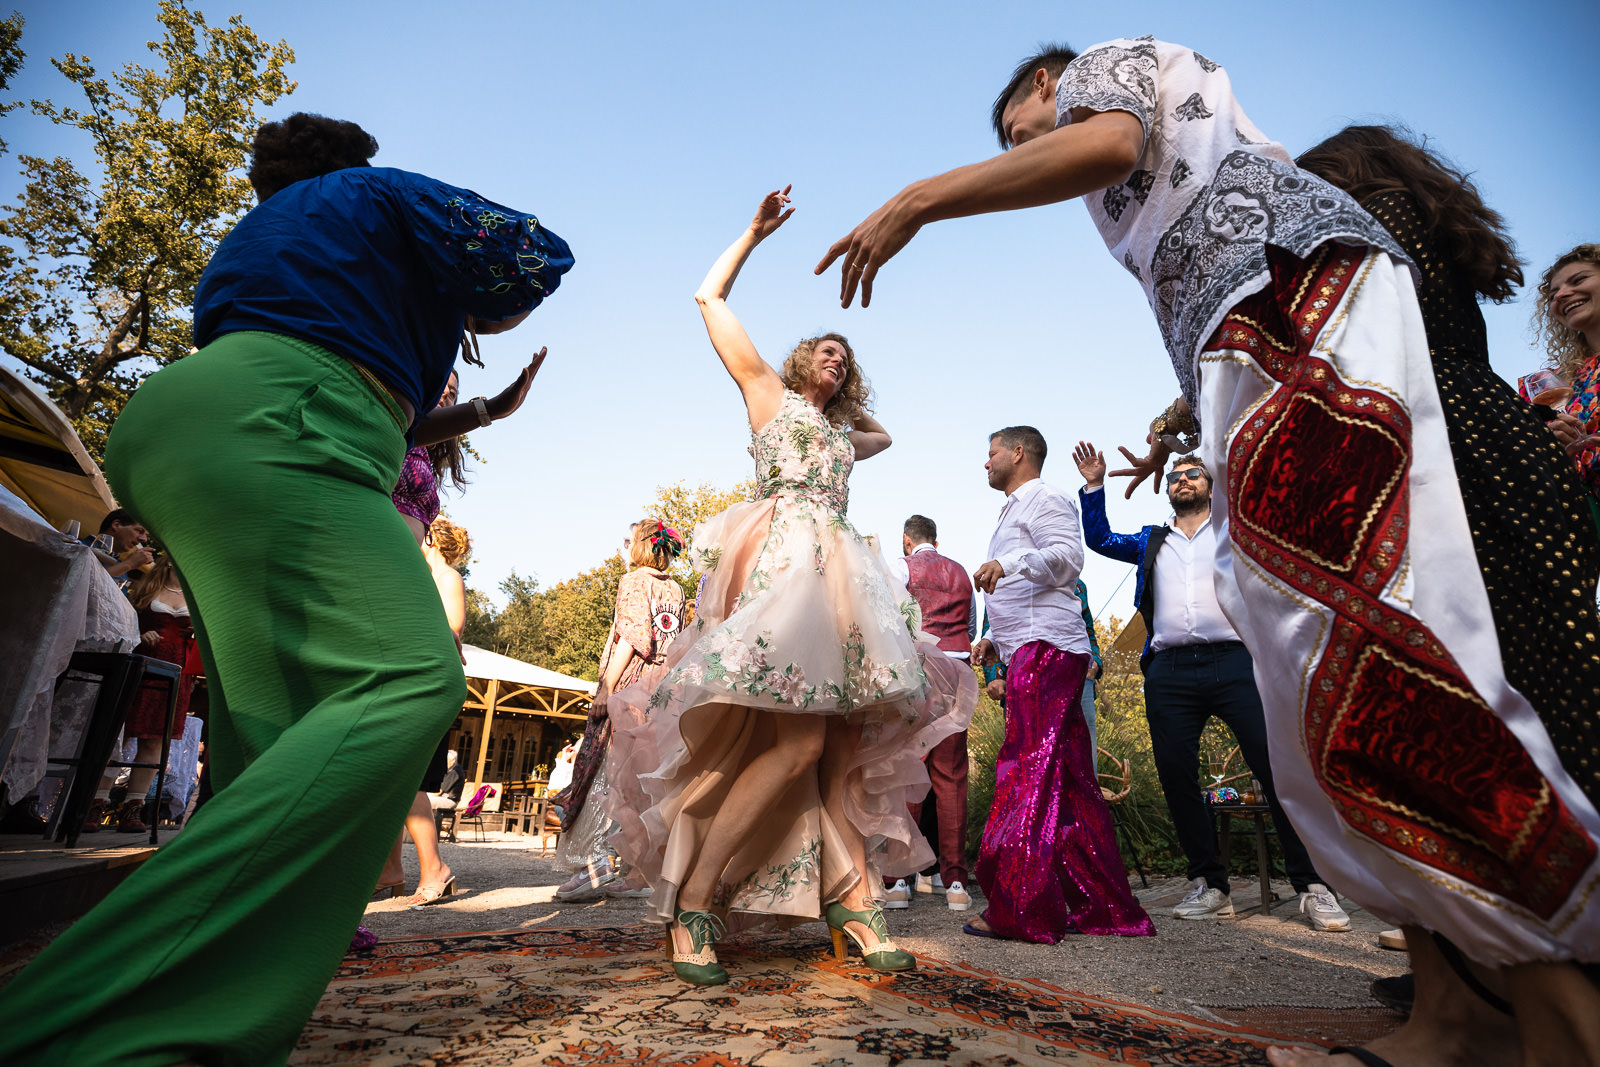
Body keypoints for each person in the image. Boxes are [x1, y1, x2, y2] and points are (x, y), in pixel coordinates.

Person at [823, 40, 1599, 1067]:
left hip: (1288, 309)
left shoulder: (1108, 68)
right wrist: (1177, 423)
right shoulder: (1171, 185)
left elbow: (1108, 142)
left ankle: (1563, 1023)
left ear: (1056, 84)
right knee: (1316, 687)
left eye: (1027, 128)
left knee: (1378, 653)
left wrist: (920, 197)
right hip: (1247, 339)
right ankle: (1458, 1006)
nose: (1029, 151)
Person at [0, 112, 572, 1066]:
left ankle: (191, 1024)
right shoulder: (370, 194)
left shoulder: (264, 238)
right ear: (352, 164)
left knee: (269, 746)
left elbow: (340, 378)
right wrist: (478, 305)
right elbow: (530, 253)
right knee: (409, 676)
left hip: (194, 427)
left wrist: (477, 407)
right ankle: (67, 1020)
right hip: (280, 426)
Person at [604, 186, 975, 986]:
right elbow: (708, 296)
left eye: (848, 355)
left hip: (844, 589)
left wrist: (845, 408)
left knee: (836, 747)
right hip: (784, 575)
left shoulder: (844, 433)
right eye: (825, 349)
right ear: (802, 357)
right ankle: (697, 900)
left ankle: (850, 897)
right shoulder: (767, 396)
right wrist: (752, 232)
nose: (837, 357)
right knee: (800, 739)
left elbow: (882, 435)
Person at [1289, 127, 1600, 1067]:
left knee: (1450, 721)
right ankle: (1488, 994)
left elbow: (1341, 355)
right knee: (1544, 711)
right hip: (1500, 460)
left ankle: (1502, 1003)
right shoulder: (1425, 235)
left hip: (1447, 468)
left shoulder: (1365, 226)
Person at [1072, 443, 1349, 931]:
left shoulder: (1234, 533)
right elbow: (1098, 539)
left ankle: (1312, 886)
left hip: (1236, 663)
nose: (1183, 478)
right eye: (1176, 474)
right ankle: (1211, 884)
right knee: (1178, 777)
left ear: (1211, 485)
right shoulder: (1151, 541)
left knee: (1275, 768)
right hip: (1169, 671)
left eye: (1194, 473)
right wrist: (1094, 486)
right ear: (1169, 489)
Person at [966, 425, 1153, 943]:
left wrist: (1008, 562)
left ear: (1019, 453)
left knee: (1025, 766)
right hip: (1032, 647)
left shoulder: (1044, 498)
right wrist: (994, 644)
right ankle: (1102, 906)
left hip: (1046, 653)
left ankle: (1018, 908)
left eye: (992, 453)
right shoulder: (1012, 510)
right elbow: (1023, 598)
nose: (986, 463)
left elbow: (1068, 560)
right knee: (1070, 781)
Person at [554, 519, 688, 902]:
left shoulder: (633, 581)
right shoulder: (675, 587)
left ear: (641, 546)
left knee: (605, 769)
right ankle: (639, 872)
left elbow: (632, 636)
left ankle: (593, 862)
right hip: (662, 687)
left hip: (630, 682)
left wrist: (607, 688)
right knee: (643, 778)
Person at [373, 515, 476, 907]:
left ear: (429, 536)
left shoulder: (447, 577)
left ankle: (435, 869)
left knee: (410, 780)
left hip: (429, 683)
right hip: (403, 678)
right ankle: (390, 872)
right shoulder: (411, 573)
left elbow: (454, 629)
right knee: (391, 779)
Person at [882, 514, 977, 913]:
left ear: (907, 540)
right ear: (934, 539)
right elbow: (970, 627)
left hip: (920, 671)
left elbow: (889, 623)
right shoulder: (961, 574)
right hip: (958, 672)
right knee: (951, 777)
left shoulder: (902, 569)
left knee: (909, 771)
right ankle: (954, 881)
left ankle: (899, 882)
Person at [80, 552, 203, 835]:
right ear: (171, 560)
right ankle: (96, 801)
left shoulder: (198, 597)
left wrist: (200, 632)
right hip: (141, 661)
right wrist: (141, 631)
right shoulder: (145, 587)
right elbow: (120, 620)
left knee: (155, 739)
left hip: (177, 669)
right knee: (117, 734)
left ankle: (133, 806)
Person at [1529, 244, 1600, 500]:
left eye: (1579, 280)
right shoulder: (1548, 388)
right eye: (1552, 294)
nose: (1561, 295)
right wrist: (1560, 459)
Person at [88, 508, 153, 587]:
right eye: (139, 531)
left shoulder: (123, 572)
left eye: (146, 535)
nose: (144, 539)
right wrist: (129, 564)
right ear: (116, 525)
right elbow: (83, 585)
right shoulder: (76, 547)